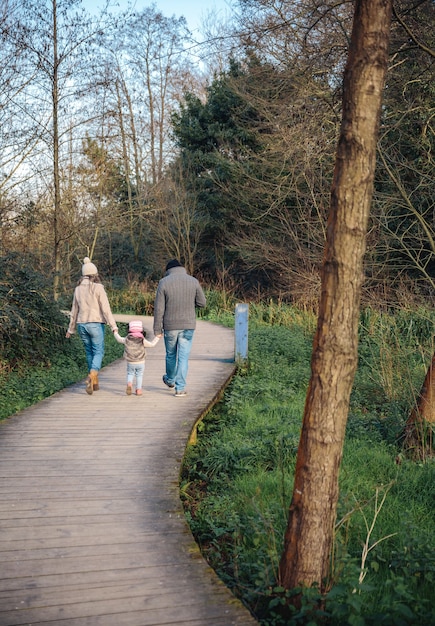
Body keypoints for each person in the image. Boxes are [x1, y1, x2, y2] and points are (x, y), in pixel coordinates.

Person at [153, 259, 206, 397]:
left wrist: (157, 329)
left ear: (168, 270)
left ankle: (170, 380)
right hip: (188, 326)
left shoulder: (163, 282)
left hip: (170, 326)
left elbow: (159, 309)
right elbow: (202, 303)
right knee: (183, 357)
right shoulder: (193, 281)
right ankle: (180, 388)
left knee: (171, 354)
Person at [66, 257, 118, 395]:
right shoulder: (98, 287)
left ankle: (94, 383)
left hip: (82, 325)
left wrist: (70, 329)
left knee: (89, 352)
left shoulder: (77, 289)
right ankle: (92, 375)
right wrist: (113, 326)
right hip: (95, 324)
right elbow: (105, 308)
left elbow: (74, 310)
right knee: (98, 351)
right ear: (94, 274)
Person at [114, 320, 159, 396]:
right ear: (141, 329)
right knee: (139, 375)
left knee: (130, 373)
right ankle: (138, 390)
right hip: (141, 361)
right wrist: (157, 337)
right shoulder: (142, 340)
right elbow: (152, 344)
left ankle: (129, 384)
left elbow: (119, 339)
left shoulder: (127, 339)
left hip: (130, 361)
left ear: (130, 329)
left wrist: (115, 332)